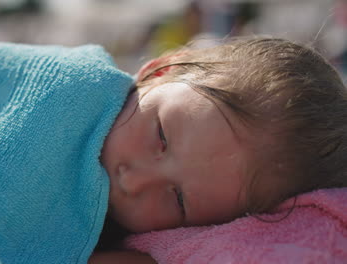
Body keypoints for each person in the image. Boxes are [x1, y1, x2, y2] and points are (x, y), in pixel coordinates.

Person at [90, 37, 347, 262]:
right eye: (162, 138)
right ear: (161, 71)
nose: (132, 181)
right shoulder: (74, 91)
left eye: (178, 199)